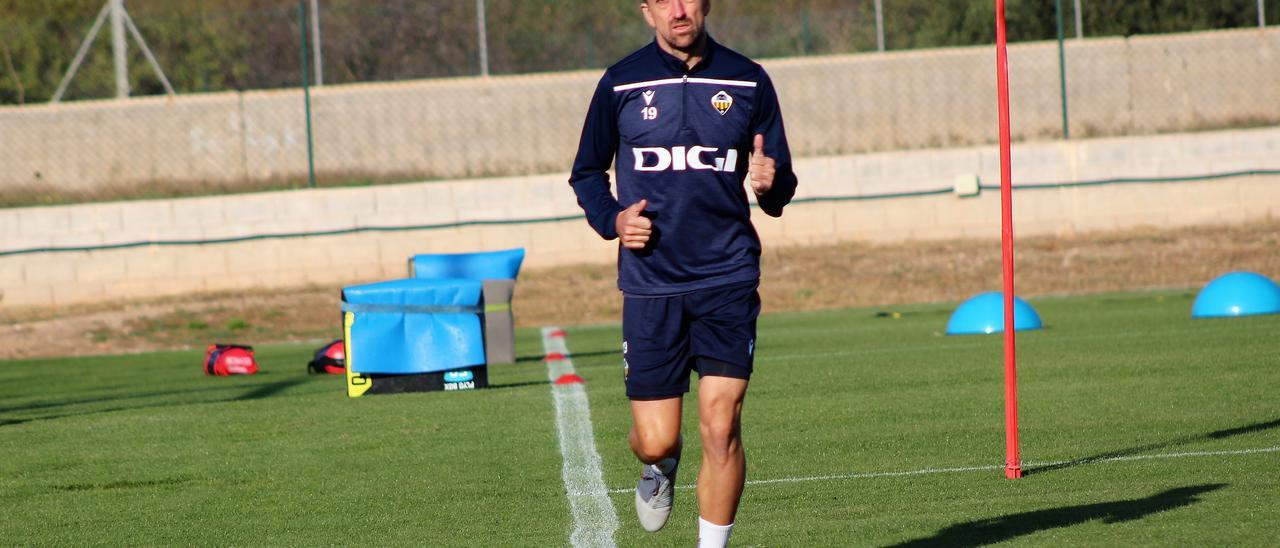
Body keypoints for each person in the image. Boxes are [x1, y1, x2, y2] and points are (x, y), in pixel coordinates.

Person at [568, 0, 797, 546]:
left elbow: (779, 182)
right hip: (652, 285)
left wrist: (770, 185)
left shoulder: (748, 80)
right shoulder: (620, 84)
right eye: (664, 0)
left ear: (706, 5)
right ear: (647, 11)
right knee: (655, 439)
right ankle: (658, 466)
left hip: (728, 278)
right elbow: (586, 174)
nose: (678, 10)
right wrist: (614, 220)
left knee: (721, 426)